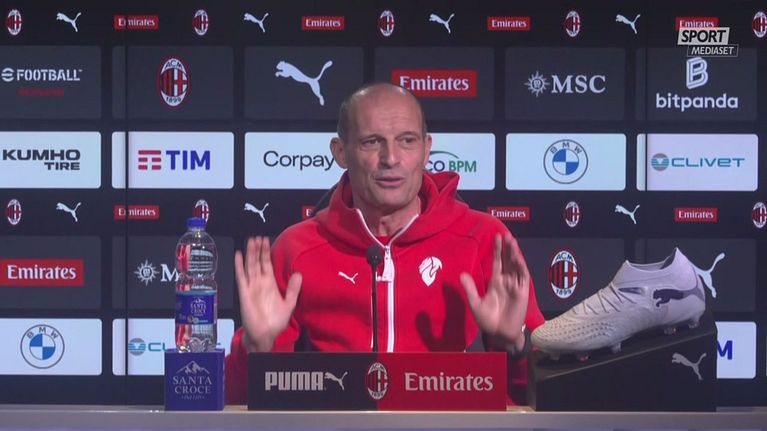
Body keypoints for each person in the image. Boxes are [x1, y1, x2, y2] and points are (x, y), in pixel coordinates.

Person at [225, 82, 544, 404]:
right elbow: (239, 403)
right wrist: (256, 348)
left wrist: (514, 346)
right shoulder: (297, 248)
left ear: (426, 149)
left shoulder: (483, 238)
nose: (391, 158)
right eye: (371, 142)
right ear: (340, 152)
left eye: (407, 141)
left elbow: (540, 399)